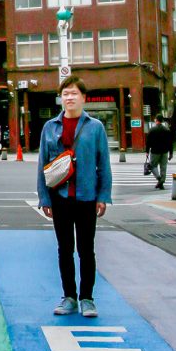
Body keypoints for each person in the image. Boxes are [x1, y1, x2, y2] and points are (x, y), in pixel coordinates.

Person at [37, 75, 112, 319]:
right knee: (64, 249)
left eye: (74, 93)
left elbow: (104, 164)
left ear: (84, 98)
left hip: (87, 197)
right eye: (65, 94)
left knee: (86, 249)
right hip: (60, 197)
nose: (69, 97)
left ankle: (87, 298)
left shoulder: (95, 127)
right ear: (61, 98)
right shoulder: (50, 127)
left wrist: (103, 195)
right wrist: (45, 199)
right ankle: (69, 296)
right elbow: (42, 165)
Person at [145, 115, 173, 189]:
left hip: (155, 151)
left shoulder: (152, 130)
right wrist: (171, 153)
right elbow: (170, 142)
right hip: (164, 151)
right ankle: (161, 182)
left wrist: (147, 151)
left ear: (156, 120)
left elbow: (148, 142)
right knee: (163, 167)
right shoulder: (167, 130)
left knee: (153, 166)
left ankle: (159, 179)